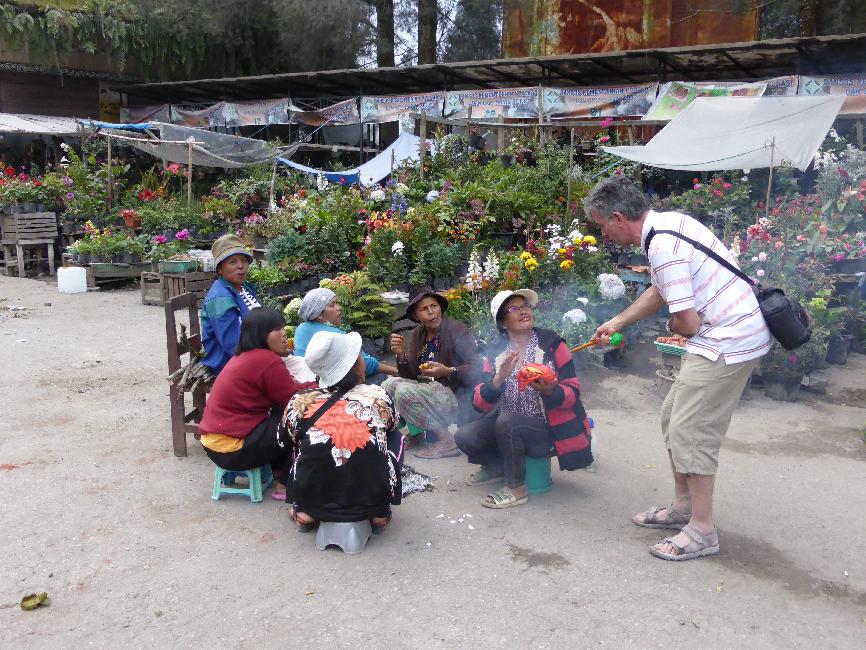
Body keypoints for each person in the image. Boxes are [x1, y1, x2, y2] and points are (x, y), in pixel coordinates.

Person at [584, 176, 771, 561]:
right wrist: (617, 322)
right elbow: (660, 289)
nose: (603, 234)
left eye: (602, 225)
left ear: (618, 217)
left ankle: (702, 530)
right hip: (724, 333)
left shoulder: (663, 246)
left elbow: (687, 324)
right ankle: (685, 507)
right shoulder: (666, 225)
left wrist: (670, 324)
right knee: (673, 416)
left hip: (727, 341)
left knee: (692, 430)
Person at [455, 289, 593, 509]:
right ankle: (496, 468)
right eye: (514, 309)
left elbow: (573, 392)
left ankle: (516, 488)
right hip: (506, 426)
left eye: (526, 306)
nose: (523, 311)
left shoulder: (552, 345)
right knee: (465, 435)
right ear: (503, 323)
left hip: (546, 430)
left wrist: (550, 390)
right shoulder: (495, 353)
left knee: (508, 422)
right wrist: (497, 380)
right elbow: (479, 403)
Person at [281, 331, 402, 532]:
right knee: (395, 436)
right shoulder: (378, 396)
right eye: (360, 356)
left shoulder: (300, 400)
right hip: (371, 504)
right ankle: (380, 513)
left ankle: (305, 512)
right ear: (354, 366)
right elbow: (391, 426)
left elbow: (283, 441)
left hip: (313, 503)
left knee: (298, 444)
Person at [198, 307, 315, 492]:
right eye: (277, 329)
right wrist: (320, 386)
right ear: (261, 334)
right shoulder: (267, 360)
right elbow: (293, 399)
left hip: (215, 444)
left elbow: (286, 390)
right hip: (233, 450)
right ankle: (286, 482)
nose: (284, 334)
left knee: (282, 413)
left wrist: (311, 385)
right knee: (301, 418)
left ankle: (278, 468)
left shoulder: (246, 355)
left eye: (283, 328)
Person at [383, 286, 481, 459]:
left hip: (455, 395)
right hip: (429, 390)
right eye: (424, 309)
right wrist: (400, 354)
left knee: (405, 391)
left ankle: (446, 439)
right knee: (388, 384)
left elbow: (476, 367)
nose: (431, 312)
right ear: (416, 316)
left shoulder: (456, 329)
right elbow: (410, 374)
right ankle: (417, 435)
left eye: (433, 306)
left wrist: (448, 371)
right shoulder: (418, 334)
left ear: (440, 307)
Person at [292, 287, 398, 383]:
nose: (338, 308)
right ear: (319, 314)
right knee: (382, 378)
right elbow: (366, 364)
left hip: (309, 381)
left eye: (336, 303)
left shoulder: (301, 328)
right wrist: (396, 372)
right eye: (332, 305)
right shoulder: (335, 335)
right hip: (333, 384)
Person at [200, 234, 260, 376]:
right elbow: (233, 346)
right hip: (230, 364)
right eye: (233, 262)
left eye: (244, 260)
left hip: (253, 353)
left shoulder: (243, 288)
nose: (241, 266)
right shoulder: (220, 299)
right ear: (220, 269)